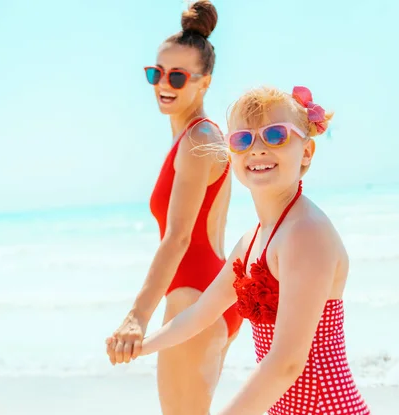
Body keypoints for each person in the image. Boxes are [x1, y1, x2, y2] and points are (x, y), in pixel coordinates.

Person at [113, 85, 371, 415]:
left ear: (306, 153)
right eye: (242, 140)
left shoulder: (306, 233)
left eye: (275, 135)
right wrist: (141, 347)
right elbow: (198, 315)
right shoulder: (251, 241)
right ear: (230, 154)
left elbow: (287, 363)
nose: (257, 149)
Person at [105, 2, 242, 414]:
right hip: (206, 293)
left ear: (205, 83)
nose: (164, 83)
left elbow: (179, 237)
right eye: (156, 73)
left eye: (178, 76)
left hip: (195, 295)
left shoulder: (199, 143)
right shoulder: (191, 139)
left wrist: (136, 316)